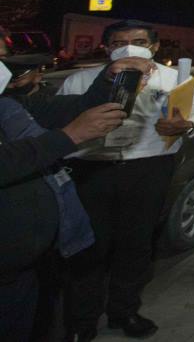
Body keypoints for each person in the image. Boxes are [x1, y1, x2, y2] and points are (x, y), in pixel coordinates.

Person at [59, 19, 194, 341]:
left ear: (154, 47)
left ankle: (124, 311)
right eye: (118, 42)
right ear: (107, 47)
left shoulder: (176, 80)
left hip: (148, 167)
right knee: (88, 248)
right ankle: (80, 323)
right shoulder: (81, 80)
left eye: (139, 41)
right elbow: (57, 124)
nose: (128, 47)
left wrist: (184, 127)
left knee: (136, 245)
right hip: (91, 169)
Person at [1, 55, 146, 340]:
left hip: (27, 267)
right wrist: (68, 137)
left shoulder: (7, 106)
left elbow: (73, 109)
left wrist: (109, 78)